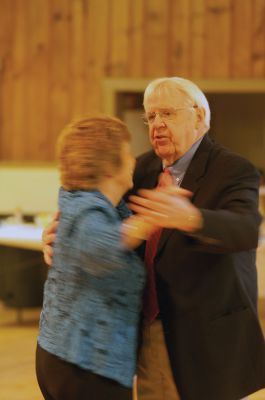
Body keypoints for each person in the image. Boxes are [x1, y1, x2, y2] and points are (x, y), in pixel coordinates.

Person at [43, 78, 265, 400]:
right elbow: (98, 217)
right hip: (149, 328)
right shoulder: (141, 168)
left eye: (167, 114)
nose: (156, 125)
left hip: (206, 335)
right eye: (151, 116)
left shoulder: (233, 169)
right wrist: (59, 234)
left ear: (199, 117)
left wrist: (191, 218)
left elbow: (246, 230)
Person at [36, 115, 156, 400]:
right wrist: (155, 219)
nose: (133, 160)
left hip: (66, 357)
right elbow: (104, 247)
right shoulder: (86, 210)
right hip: (84, 366)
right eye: (127, 153)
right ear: (109, 165)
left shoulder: (91, 204)